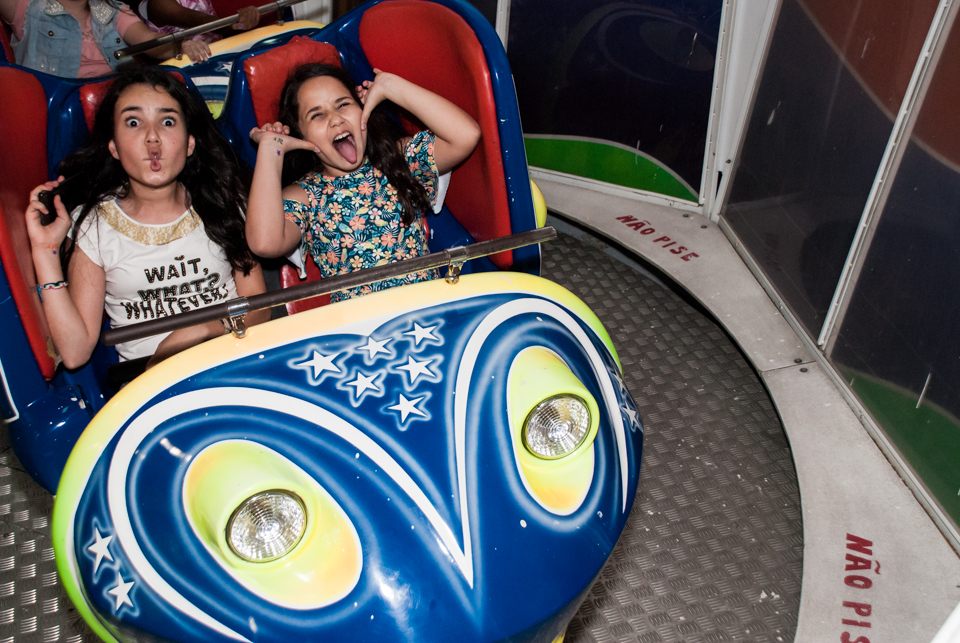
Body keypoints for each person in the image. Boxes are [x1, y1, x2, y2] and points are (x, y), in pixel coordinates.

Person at [25, 67, 269, 370]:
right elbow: (75, 353)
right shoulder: (94, 225)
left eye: (167, 122)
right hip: (152, 386)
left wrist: (202, 329)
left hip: (240, 362)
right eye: (133, 122)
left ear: (190, 143)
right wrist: (45, 252)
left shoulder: (223, 200)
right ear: (113, 146)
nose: (152, 138)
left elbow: (259, 308)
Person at [246, 63, 481, 303]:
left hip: (428, 310)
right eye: (317, 115)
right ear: (300, 135)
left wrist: (392, 88)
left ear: (363, 109)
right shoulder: (304, 195)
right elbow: (265, 243)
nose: (336, 119)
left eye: (343, 104)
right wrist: (270, 148)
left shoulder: (396, 160)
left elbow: (465, 135)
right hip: (363, 330)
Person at [0, 0, 207, 77]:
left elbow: (150, 41)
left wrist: (181, 46)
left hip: (110, 106)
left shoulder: (114, 10)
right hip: (55, 108)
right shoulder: (26, 7)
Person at [135, 0, 261, 63]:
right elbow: (212, 24)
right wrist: (240, 22)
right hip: (184, 72)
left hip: (215, 59)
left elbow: (224, 31)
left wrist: (245, 20)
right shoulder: (159, 4)